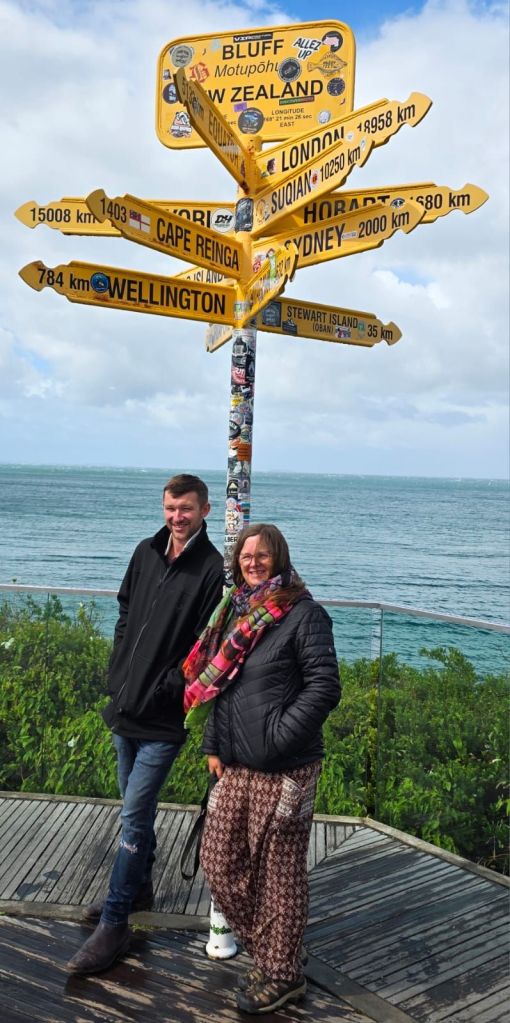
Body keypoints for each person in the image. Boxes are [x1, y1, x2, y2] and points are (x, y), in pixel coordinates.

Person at [67, 473, 224, 975]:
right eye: (170, 508)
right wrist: (118, 672)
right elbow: (125, 610)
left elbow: (205, 646)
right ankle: (139, 889)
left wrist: (166, 690)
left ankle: (115, 923)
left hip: (163, 718)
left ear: (204, 510)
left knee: (135, 814)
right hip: (125, 707)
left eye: (186, 509)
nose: (177, 517)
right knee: (133, 808)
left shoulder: (213, 569)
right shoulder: (145, 551)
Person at [182, 523, 340, 1015]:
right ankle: (277, 953)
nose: (253, 562)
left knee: (279, 874)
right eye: (246, 555)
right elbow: (220, 687)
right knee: (219, 861)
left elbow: (324, 686)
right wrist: (213, 744)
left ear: (280, 559)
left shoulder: (304, 613)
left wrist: (275, 740)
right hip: (236, 764)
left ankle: (283, 973)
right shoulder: (237, 611)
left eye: (263, 555)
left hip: (285, 767)